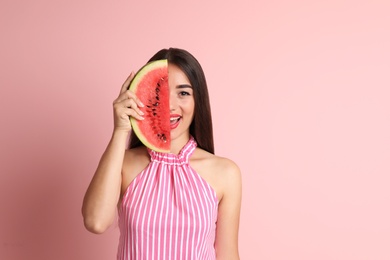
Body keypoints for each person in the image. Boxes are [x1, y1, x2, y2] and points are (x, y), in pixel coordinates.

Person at [82, 47, 242, 260]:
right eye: (160, 93)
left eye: (183, 93)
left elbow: (228, 255)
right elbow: (96, 222)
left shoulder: (225, 172)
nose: (170, 105)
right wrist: (121, 129)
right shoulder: (123, 163)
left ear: (198, 101)